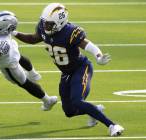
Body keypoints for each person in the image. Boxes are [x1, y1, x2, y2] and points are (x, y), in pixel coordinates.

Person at [12, 3, 124, 136]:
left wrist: (98, 56)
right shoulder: (43, 27)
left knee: (77, 100)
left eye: (50, 24)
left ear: (60, 23)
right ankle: (94, 110)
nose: (46, 26)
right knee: (69, 112)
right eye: (45, 22)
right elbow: (32, 38)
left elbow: (88, 45)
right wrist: (14, 32)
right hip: (66, 73)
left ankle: (112, 125)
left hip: (81, 68)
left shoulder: (70, 31)